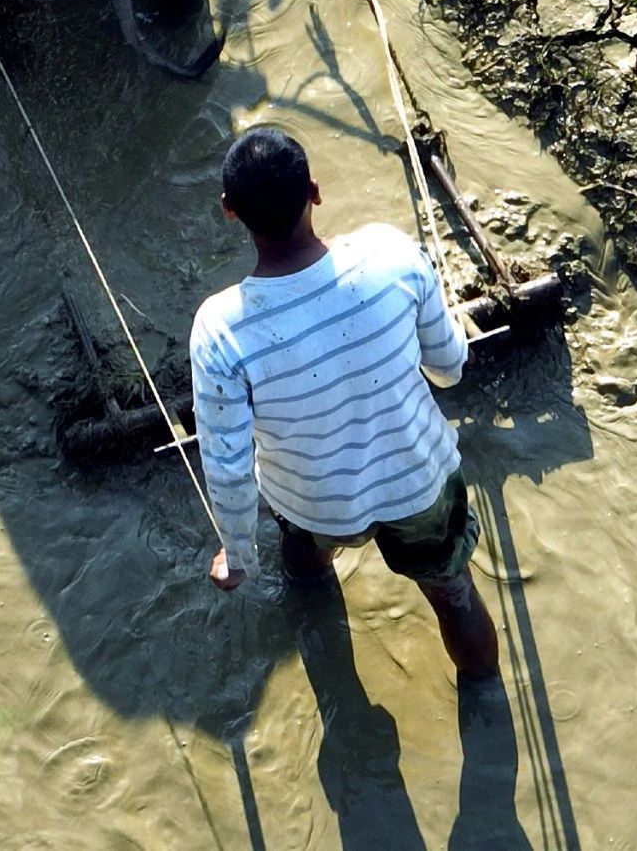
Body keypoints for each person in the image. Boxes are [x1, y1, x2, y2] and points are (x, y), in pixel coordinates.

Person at [190, 126, 500, 680]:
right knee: (454, 597)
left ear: (229, 211)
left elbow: (227, 467)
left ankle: (317, 624)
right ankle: (485, 703)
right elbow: (450, 369)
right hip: (419, 485)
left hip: (313, 503)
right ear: (314, 191)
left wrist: (237, 555)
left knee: (304, 557)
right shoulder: (392, 253)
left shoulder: (219, 328)